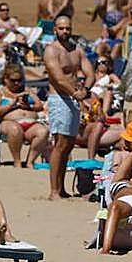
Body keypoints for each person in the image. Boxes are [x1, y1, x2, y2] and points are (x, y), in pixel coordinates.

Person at [43, 15, 94, 199]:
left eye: (68, 28)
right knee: (60, 143)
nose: (65, 31)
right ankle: (54, 190)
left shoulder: (76, 50)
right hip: (59, 99)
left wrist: (86, 89)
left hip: (73, 99)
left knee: (68, 145)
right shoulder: (51, 50)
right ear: (55, 29)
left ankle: (61, 188)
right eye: (61, 28)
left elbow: (90, 72)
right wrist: (76, 94)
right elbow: (58, 78)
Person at [0, 64, 48, 167]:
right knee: (15, 129)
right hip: (6, 123)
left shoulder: (27, 90)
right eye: (13, 80)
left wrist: (28, 106)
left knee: (43, 131)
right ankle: (17, 161)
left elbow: (39, 106)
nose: (17, 83)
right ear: (6, 79)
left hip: (30, 124)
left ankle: (30, 161)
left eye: (19, 80)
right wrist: (13, 104)